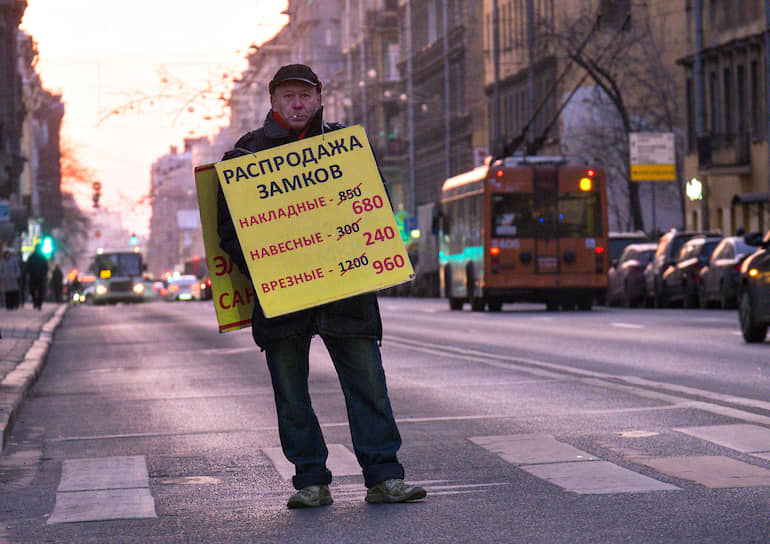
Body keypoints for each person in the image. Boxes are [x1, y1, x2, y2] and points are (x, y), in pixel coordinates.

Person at [217, 64, 426, 509]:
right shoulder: (243, 160)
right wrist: (270, 269)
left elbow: (376, 206)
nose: (297, 104)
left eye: (304, 96)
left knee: (368, 385)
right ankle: (310, 480)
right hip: (283, 297)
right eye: (288, 96)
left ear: (318, 98)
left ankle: (384, 476)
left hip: (347, 294)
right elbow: (229, 231)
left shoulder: (346, 149)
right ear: (272, 101)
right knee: (292, 395)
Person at [25, 244, 48, 310]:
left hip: (39, 277)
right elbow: (28, 266)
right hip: (34, 276)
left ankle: (38, 303)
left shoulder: (41, 257)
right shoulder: (32, 257)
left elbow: (45, 267)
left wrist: (44, 273)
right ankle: (36, 302)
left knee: (40, 291)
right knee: (33, 290)